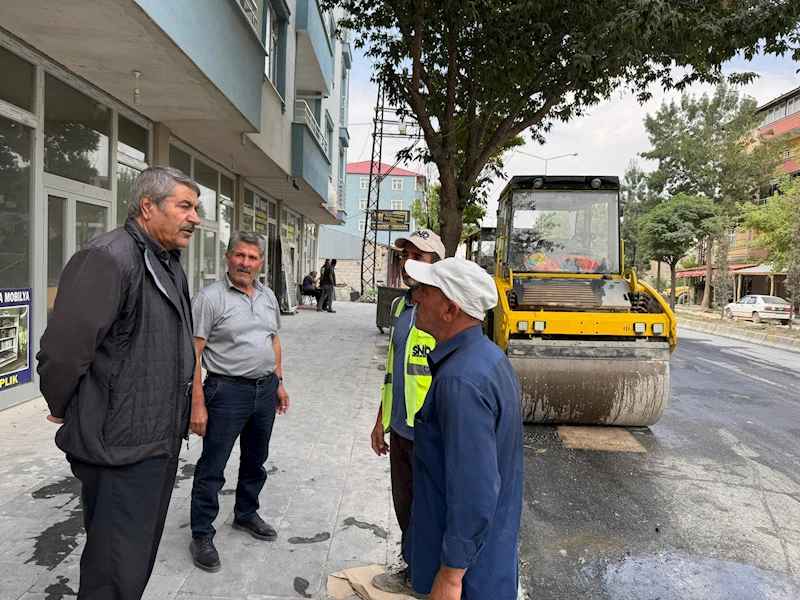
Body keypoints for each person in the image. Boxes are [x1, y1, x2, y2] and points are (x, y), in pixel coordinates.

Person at [37, 166, 201, 599]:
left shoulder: (166, 261)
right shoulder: (109, 257)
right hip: (120, 448)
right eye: (185, 206)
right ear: (148, 206)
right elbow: (62, 352)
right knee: (113, 572)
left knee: (133, 563)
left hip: (155, 444)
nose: (195, 218)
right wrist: (63, 404)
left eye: (196, 208)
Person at [402, 257, 523, 600]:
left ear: (450, 310)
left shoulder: (461, 381)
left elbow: (475, 491)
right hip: (486, 557)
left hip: (470, 578)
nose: (416, 298)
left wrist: (451, 577)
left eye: (425, 291)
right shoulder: (486, 357)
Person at [188, 231, 290, 573]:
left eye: (252, 257)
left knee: (255, 459)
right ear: (228, 257)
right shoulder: (210, 298)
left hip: (264, 391)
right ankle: (202, 533)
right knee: (213, 466)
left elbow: (272, 339)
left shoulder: (267, 295)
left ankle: (245, 514)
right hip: (225, 392)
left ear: (261, 263)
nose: (245, 263)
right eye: (240, 255)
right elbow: (194, 354)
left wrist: (279, 381)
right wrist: (197, 403)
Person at [370, 230, 445, 597]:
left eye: (418, 255)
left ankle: (426, 578)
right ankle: (414, 568)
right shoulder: (402, 307)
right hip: (400, 430)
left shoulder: (446, 309)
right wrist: (380, 421)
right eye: (404, 255)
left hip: (430, 433)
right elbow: (394, 370)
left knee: (427, 511)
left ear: (437, 264)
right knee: (405, 506)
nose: (407, 261)